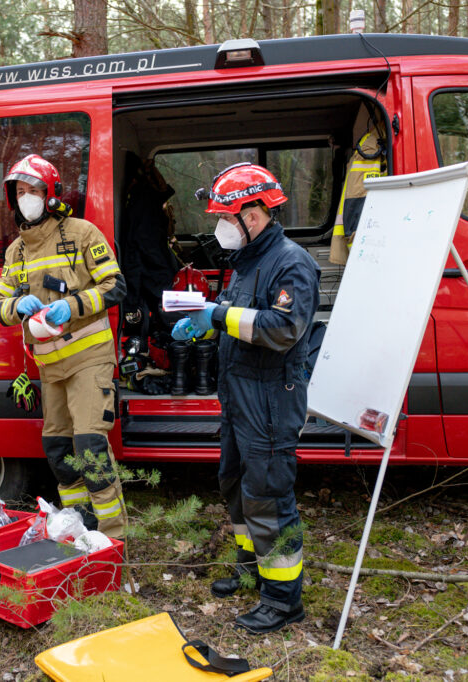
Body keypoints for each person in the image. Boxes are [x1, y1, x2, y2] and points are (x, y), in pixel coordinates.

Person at [172, 163, 319, 634]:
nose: (219, 229)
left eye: (225, 219)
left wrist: (216, 315)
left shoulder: (291, 262)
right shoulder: (249, 261)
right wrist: (206, 322)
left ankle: (281, 599)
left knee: (269, 496)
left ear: (253, 215)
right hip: (241, 398)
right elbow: (240, 320)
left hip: (272, 401)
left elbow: (283, 330)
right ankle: (251, 565)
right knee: (235, 484)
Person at [0, 154, 128, 538]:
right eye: (19, 192)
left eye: (33, 190)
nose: (26, 198)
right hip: (49, 368)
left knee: (89, 447)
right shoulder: (16, 251)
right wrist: (17, 305)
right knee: (59, 452)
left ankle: (113, 538)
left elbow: (115, 286)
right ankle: (78, 528)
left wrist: (71, 305)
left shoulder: (82, 233)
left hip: (88, 358)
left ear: (50, 194)